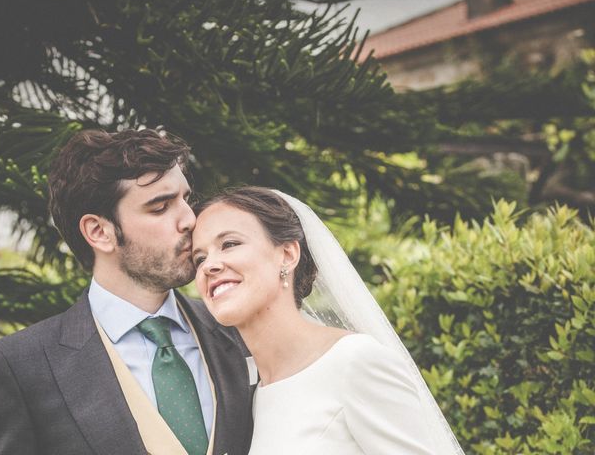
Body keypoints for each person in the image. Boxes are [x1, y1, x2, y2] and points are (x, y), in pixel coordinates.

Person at [0, 128, 253, 455]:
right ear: (99, 232)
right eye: (160, 207)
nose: (189, 219)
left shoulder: (237, 328)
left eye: (186, 200)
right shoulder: (22, 366)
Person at [192, 186, 465, 454]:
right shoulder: (252, 394)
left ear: (287, 254)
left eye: (229, 244)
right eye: (199, 258)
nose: (209, 266)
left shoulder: (355, 362)